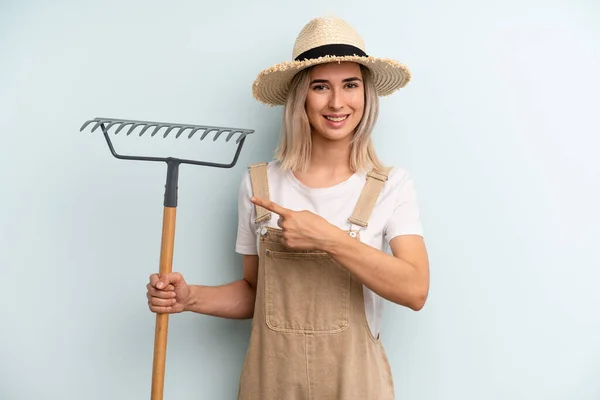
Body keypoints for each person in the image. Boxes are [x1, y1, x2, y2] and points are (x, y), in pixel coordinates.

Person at [146, 15, 430, 399]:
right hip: (271, 384)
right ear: (301, 97)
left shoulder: (391, 186)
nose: (337, 102)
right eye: (320, 87)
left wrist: (328, 237)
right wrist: (190, 298)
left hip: (356, 385)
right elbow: (254, 292)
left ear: (366, 94)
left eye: (350, 85)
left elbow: (415, 290)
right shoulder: (260, 183)